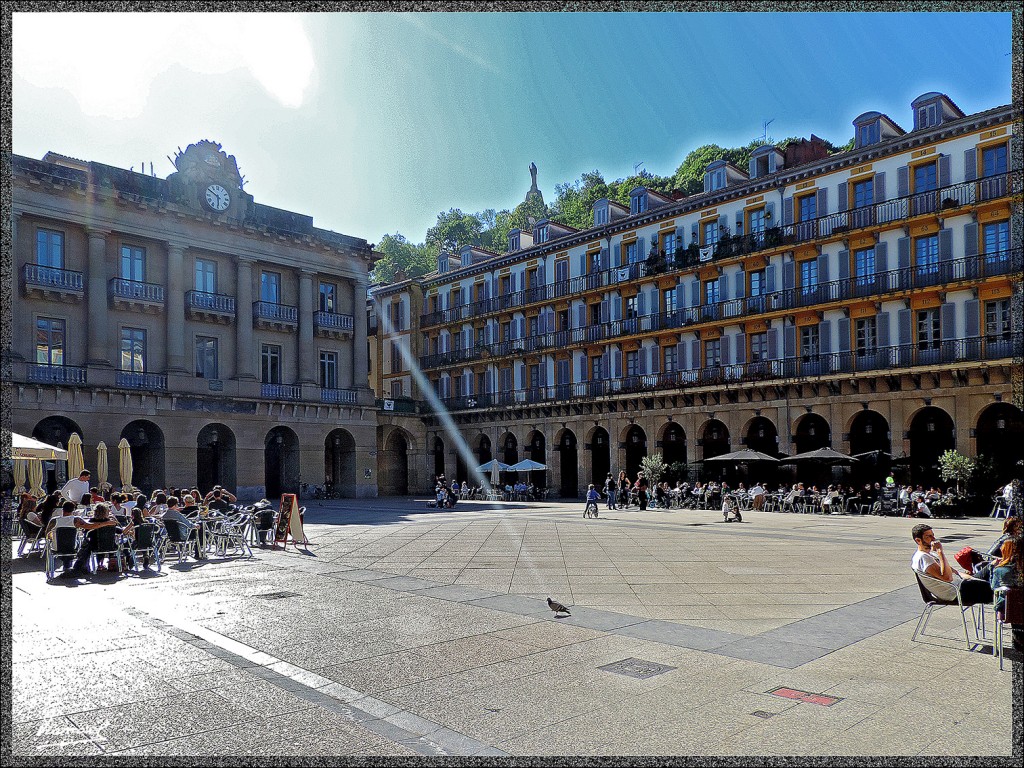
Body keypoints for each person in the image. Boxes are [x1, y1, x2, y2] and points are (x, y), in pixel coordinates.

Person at [911, 524, 993, 606]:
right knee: (999, 589)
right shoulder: (922, 557)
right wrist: (940, 552)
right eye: (928, 537)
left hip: (962, 584)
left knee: (992, 567)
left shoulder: (931, 554)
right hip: (956, 592)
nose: (933, 539)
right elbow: (947, 578)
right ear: (918, 540)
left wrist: (973, 578)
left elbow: (956, 572)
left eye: (933, 535)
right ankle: (1003, 615)